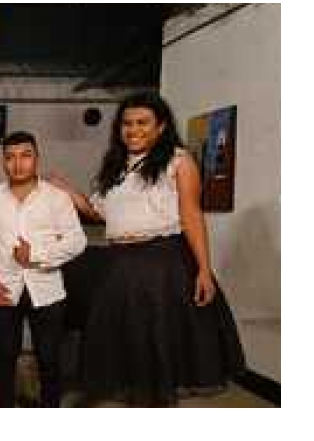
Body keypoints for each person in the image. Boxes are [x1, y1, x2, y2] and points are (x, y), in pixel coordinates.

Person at [50, 92, 245, 406]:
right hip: (119, 265)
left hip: (162, 264)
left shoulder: (178, 161)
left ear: (161, 126)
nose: (133, 130)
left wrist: (204, 270)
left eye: (142, 123)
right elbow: (101, 214)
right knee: (125, 348)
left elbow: (191, 215)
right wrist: (69, 192)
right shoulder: (116, 167)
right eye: (127, 123)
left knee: (157, 348)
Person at [0, 131, 87, 408]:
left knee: (49, 360)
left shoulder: (57, 198)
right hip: (3, 290)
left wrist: (35, 255)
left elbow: (77, 241)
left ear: (37, 158)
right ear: (3, 162)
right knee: (3, 360)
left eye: (25, 156)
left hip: (47, 290)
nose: (18, 163)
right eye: (10, 157)